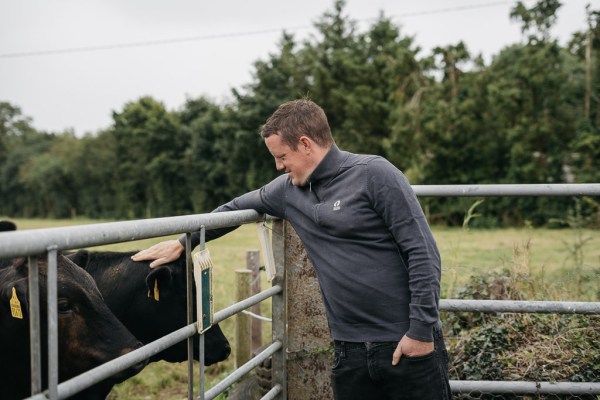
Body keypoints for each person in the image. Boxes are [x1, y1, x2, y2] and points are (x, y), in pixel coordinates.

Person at [132, 99, 451, 399]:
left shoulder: (374, 175)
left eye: (281, 157)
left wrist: (421, 333)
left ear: (306, 144)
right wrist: (183, 243)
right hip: (348, 351)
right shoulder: (287, 191)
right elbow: (232, 209)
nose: (277, 166)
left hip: (406, 343)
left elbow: (423, 252)